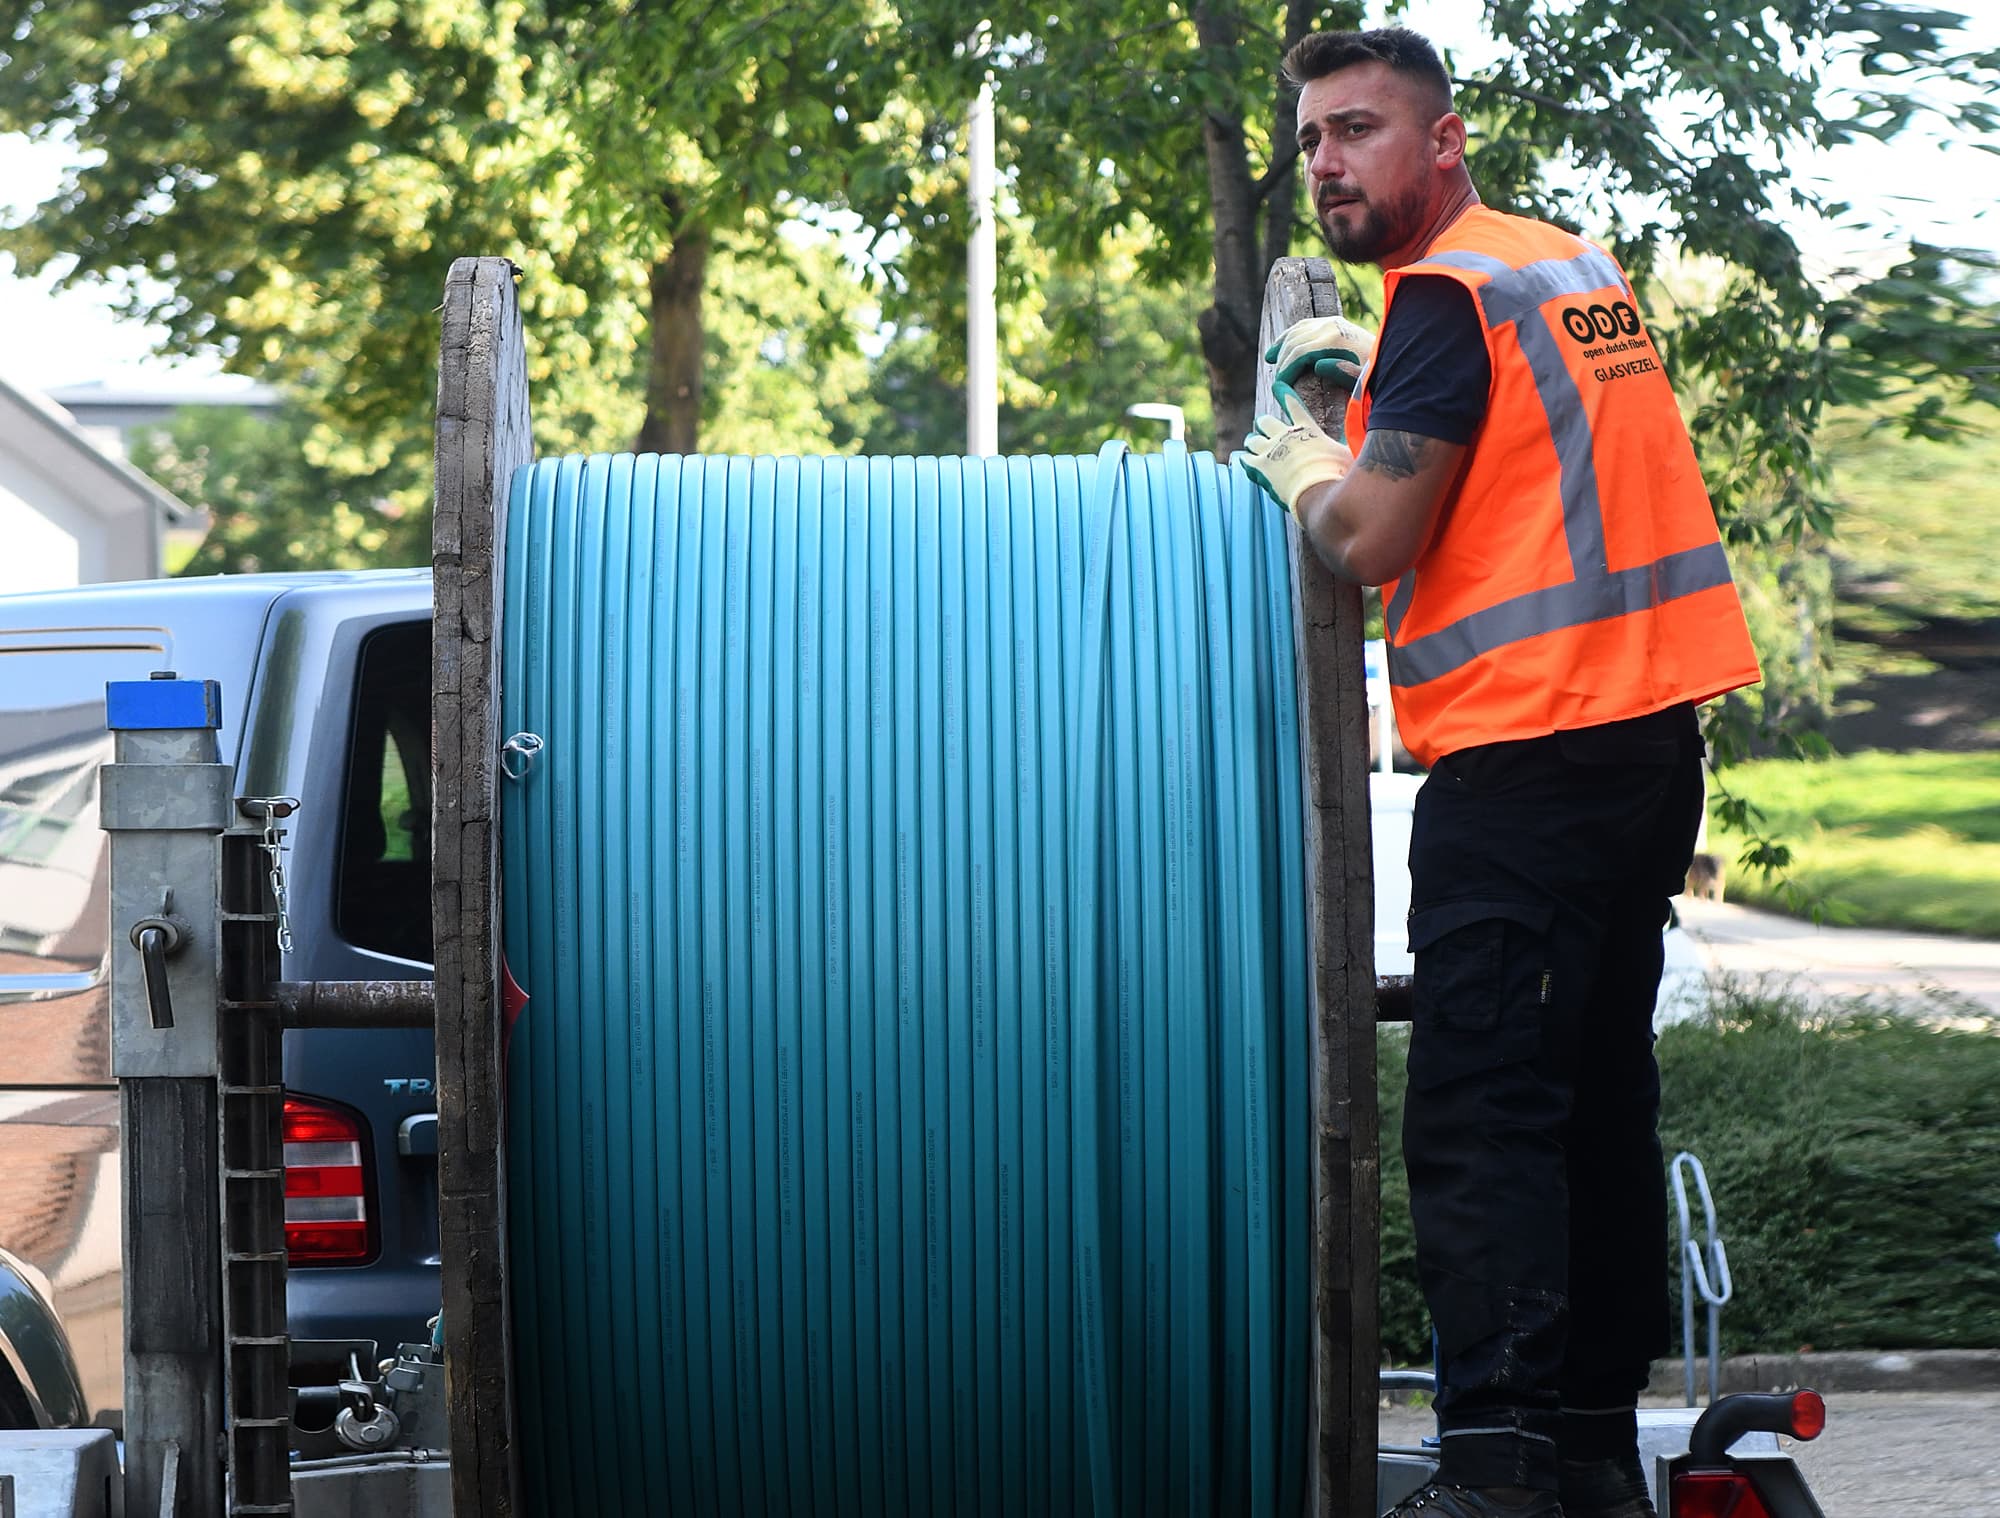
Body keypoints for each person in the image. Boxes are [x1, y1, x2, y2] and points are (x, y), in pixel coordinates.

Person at [1239, 26, 1762, 1518]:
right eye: (1315, 139)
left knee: (1483, 1112)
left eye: (1358, 130)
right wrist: (1375, 405)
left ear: (1444, 139)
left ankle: (1495, 1472)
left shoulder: (1451, 294)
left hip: (1529, 759)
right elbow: (1530, 480)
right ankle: (1593, 1446)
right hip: (1647, 746)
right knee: (1596, 1095)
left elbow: (1376, 539)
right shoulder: (1565, 269)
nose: (1327, 162)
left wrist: (1300, 465)